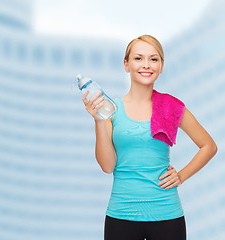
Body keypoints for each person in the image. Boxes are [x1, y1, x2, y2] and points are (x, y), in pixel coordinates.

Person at [81, 34, 217, 240]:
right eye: (138, 58)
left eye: (154, 59)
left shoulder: (172, 107)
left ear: (161, 66)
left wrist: (181, 175)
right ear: (126, 65)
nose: (146, 65)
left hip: (167, 215)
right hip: (121, 215)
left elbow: (208, 146)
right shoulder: (111, 110)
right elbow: (107, 167)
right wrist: (99, 121)